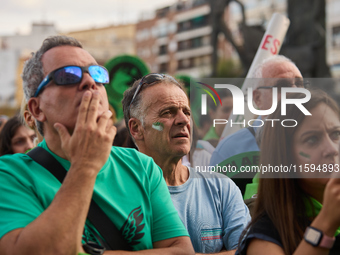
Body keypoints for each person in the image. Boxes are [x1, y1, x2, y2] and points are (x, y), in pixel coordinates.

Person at [0, 36, 194, 255]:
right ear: (36, 109)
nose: (90, 82)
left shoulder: (141, 167)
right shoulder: (10, 175)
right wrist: (84, 167)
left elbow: (181, 251)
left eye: (97, 74)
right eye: (67, 75)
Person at [122, 73, 250, 254]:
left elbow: (250, 251)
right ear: (136, 128)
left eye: (187, 112)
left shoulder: (221, 187)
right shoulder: (119, 194)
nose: (184, 120)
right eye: (167, 112)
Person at [237, 91, 340, 255]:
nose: (332, 149)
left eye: (336, 134)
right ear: (284, 156)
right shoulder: (264, 237)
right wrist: (326, 222)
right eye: (312, 139)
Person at [209, 55, 304, 197]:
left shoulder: (326, 141)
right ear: (258, 98)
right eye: (282, 86)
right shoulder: (228, 151)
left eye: (299, 84)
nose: (295, 91)